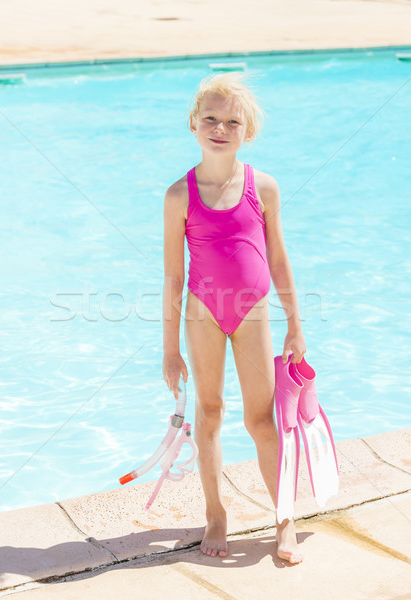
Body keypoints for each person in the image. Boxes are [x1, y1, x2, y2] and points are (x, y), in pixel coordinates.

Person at [162, 73, 306, 565]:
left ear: (248, 132)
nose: (220, 128)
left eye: (232, 122)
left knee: (262, 419)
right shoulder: (178, 195)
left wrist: (296, 323)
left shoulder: (262, 186)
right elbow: (173, 278)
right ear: (193, 123)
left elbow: (280, 258)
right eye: (210, 118)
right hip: (203, 312)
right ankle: (216, 514)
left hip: (253, 311)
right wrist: (169, 349)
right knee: (210, 413)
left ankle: (284, 517)